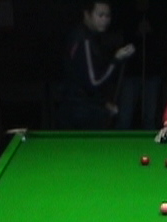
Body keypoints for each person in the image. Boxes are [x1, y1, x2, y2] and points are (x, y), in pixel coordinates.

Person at [58, 1, 136, 129]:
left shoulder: (87, 36)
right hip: (80, 113)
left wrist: (103, 103)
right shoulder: (84, 40)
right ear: (87, 15)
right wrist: (116, 60)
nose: (104, 20)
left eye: (107, 16)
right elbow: (93, 82)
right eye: (100, 15)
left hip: (79, 108)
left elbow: (85, 82)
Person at [115, 0, 163, 130]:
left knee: (150, 117)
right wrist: (137, 32)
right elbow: (123, 39)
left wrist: (151, 30)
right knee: (124, 116)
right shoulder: (128, 14)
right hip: (131, 71)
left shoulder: (157, 14)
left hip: (152, 71)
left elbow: (163, 40)